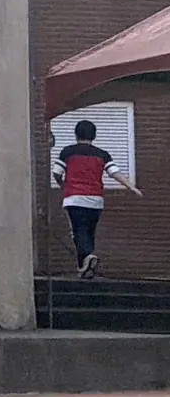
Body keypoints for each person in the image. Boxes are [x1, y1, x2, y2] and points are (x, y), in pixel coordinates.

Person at [52, 118, 143, 279]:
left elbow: (57, 172)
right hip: (96, 200)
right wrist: (131, 186)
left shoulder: (68, 152)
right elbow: (114, 173)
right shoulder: (102, 154)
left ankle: (87, 256)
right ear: (94, 135)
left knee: (78, 231)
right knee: (89, 232)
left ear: (76, 134)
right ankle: (85, 269)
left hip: (74, 198)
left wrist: (63, 185)